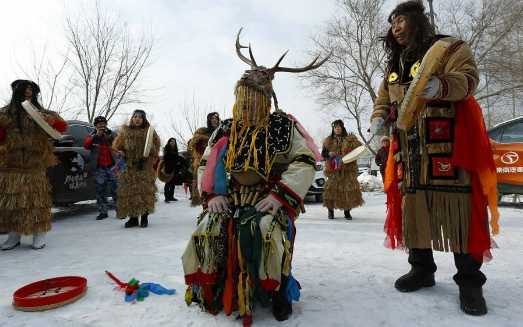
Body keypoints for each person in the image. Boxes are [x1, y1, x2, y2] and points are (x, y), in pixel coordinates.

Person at [181, 29, 326, 326]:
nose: (246, 103)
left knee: (266, 232)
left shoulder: (282, 126)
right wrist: (213, 194)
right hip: (230, 196)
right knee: (210, 228)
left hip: (268, 198)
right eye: (241, 97)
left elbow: (305, 159)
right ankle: (215, 288)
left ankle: (278, 292)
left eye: (253, 97)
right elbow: (207, 162)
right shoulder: (225, 128)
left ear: (266, 99)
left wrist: (280, 195)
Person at [370, 1, 499, 316]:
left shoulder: (449, 48)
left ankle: (469, 282)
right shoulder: (394, 65)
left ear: (417, 20)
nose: (395, 28)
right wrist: (381, 131)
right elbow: (383, 102)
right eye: (392, 23)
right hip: (411, 154)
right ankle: (422, 269)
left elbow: (468, 79)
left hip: (449, 149)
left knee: (460, 214)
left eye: (401, 20)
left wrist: (440, 85)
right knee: (414, 211)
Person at [0, 80, 67, 250]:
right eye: (25, 88)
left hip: (35, 165)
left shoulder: (42, 113)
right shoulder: (4, 114)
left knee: (36, 201)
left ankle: (39, 233)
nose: (28, 91)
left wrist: (48, 120)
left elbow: (61, 128)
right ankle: (14, 235)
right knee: (13, 203)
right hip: (11, 166)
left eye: (31, 89)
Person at [112, 110, 160, 228]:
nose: (137, 119)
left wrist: (148, 154)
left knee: (144, 193)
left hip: (144, 168)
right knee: (131, 193)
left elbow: (156, 147)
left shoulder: (150, 132)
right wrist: (121, 152)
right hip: (130, 168)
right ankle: (133, 218)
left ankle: (144, 217)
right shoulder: (125, 132)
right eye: (135, 116)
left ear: (144, 119)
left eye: (140, 117)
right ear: (132, 118)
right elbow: (117, 147)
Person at [321, 120, 364, 220]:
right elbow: (323, 154)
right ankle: (330, 211)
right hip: (333, 169)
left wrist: (353, 142)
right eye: (335, 127)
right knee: (331, 191)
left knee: (347, 191)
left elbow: (359, 149)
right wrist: (329, 154)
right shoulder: (328, 141)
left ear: (342, 128)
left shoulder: (349, 139)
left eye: (339, 127)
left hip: (347, 169)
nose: (337, 129)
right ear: (333, 129)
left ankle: (347, 212)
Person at [83, 116, 117, 220]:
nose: (101, 125)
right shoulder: (92, 135)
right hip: (99, 168)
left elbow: (118, 142)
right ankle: (103, 212)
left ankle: (121, 210)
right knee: (100, 190)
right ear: (95, 125)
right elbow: (86, 145)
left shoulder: (112, 134)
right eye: (99, 123)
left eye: (103, 123)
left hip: (112, 166)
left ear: (106, 124)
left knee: (116, 189)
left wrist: (109, 135)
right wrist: (96, 136)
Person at [187, 112, 220, 206]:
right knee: (204, 188)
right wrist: (205, 140)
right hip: (204, 163)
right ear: (209, 120)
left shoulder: (222, 131)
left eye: (216, 118)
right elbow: (192, 144)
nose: (214, 120)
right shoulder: (203, 132)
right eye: (212, 118)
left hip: (219, 162)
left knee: (217, 189)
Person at [159, 137, 187, 202]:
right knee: (168, 183)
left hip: (174, 168)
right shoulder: (166, 149)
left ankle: (171, 196)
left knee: (173, 183)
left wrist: (178, 161)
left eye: (174, 142)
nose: (172, 143)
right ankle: (166, 198)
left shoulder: (175, 150)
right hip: (168, 168)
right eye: (171, 141)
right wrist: (174, 159)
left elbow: (176, 158)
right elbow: (166, 159)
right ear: (169, 142)